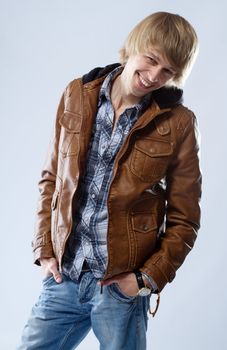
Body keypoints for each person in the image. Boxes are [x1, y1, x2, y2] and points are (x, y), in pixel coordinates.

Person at [18, 11, 201, 350]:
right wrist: (45, 250)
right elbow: (51, 178)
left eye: (168, 72)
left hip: (120, 288)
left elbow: (185, 219)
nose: (153, 76)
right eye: (151, 60)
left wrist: (145, 279)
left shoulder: (178, 124)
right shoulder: (77, 94)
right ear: (133, 46)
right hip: (66, 275)